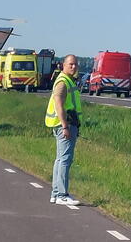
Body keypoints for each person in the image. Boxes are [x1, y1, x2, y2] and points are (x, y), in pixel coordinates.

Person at [45, 55, 82, 205]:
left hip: (65, 125)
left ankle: (55, 193)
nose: (73, 67)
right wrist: (65, 126)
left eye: (75, 65)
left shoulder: (67, 80)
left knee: (60, 159)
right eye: (71, 64)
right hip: (64, 126)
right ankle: (62, 194)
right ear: (63, 65)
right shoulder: (62, 82)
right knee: (65, 160)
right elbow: (59, 105)